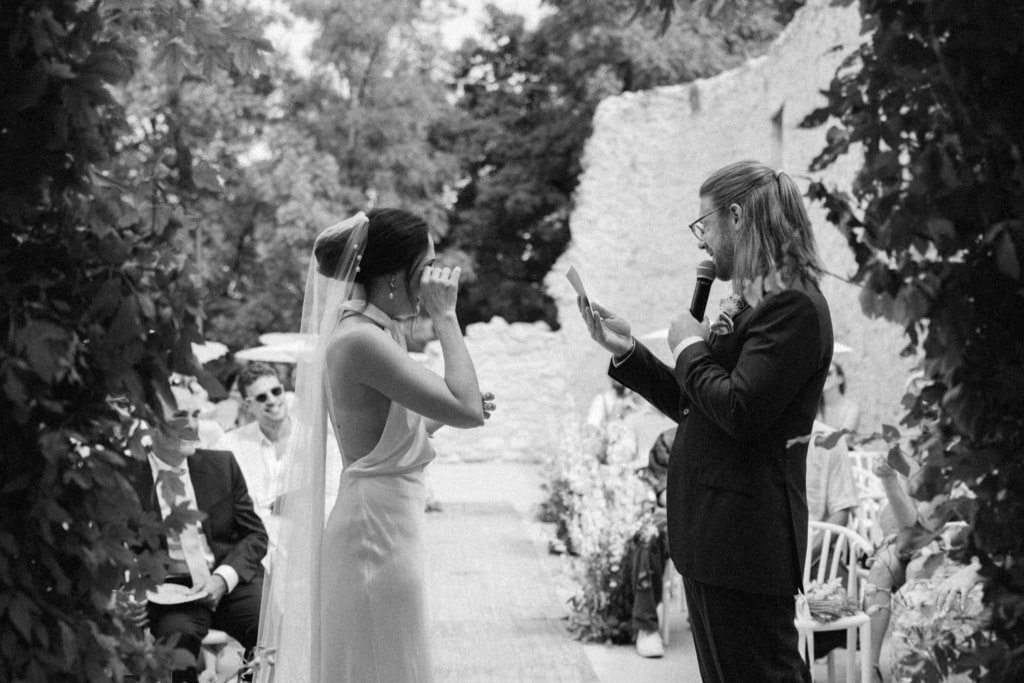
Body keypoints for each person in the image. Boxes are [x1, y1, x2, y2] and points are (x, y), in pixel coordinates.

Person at [578, 160, 833, 682]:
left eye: (704, 226)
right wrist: (629, 352)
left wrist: (691, 345)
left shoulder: (793, 305)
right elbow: (701, 406)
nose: (702, 243)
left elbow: (740, 410)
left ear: (736, 217)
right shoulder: (756, 301)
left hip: (745, 542)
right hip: (713, 540)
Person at [256, 208, 494, 683]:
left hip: (389, 523)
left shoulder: (378, 331)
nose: (433, 276)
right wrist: (447, 316)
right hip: (373, 535)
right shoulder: (360, 339)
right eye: (425, 264)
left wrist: (441, 414)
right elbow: (466, 409)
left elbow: (394, 440)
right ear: (391, 274)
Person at [128, 384, 268, 683]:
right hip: (171, 593)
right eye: (180, 416)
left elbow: (255, 536)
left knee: (275, 630)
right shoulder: (129, 479)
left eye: (195, 414)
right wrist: (129, 592)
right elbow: (119, 548)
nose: (192, 424)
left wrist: (223, 579)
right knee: (177, 655)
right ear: (152, 423)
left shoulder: (222, 465)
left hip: (230, 582)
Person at [629, 428, 673, 658]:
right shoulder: (668, 440)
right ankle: (646, 627)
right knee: (648, 535)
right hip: (677, 515)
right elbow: (661, 486)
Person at [818, 361, 861, 434]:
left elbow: (843, 439)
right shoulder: (815, 409)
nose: (824, 377)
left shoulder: (851, 409)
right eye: (820, 374)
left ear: (840, 379)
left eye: (828, 373)